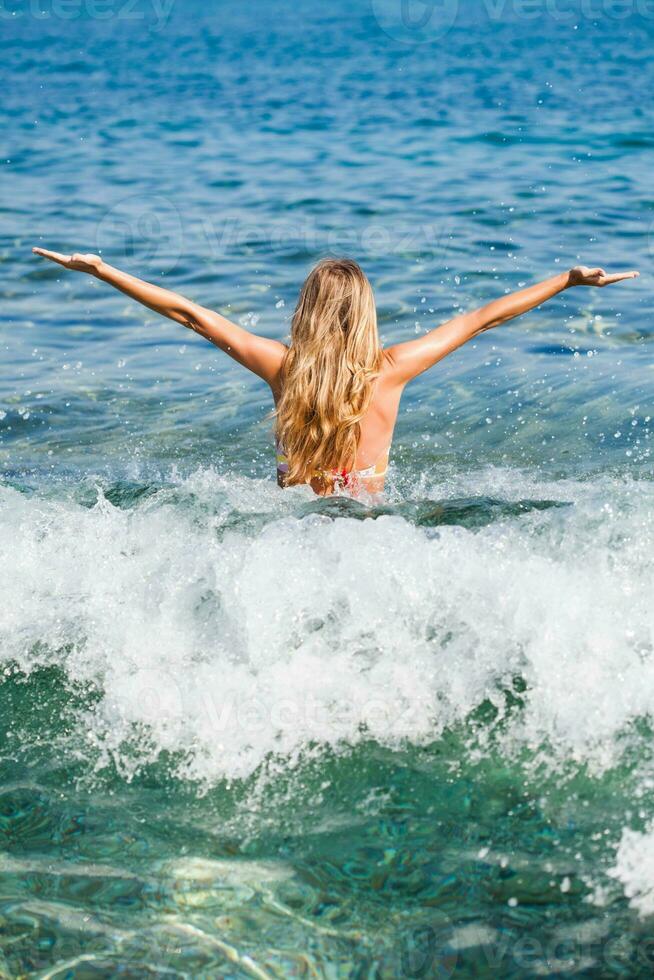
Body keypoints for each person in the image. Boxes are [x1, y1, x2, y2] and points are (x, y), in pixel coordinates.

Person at [32, 247, 639, 495]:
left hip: (290, 537)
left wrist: (104, 272)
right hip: (367, 536)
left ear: (307, 311)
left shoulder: (282, 369)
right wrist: (565, 280)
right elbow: (480, 319)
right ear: (366, 314)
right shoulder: (391, 371)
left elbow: (193, 315)